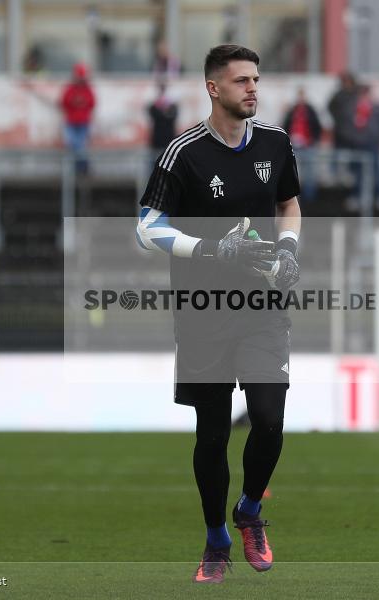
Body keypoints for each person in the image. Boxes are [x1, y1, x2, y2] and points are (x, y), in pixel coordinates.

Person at [136, 44, 301, 584]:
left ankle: (250, 510)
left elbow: (287, 204)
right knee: (211, 436)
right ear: (213, 88)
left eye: (256, 79)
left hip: (262, 306)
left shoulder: (276, 144)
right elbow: (147, 227)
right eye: (241, 81)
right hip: (204, 311)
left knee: (270, 421)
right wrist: (209, 251)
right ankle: (215, 541)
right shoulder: (182, 153)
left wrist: (290, 250)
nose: (253, 88)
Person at [349, 85, 379, 210]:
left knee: (377, 171)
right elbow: (349, 125)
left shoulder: (378, 108)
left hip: (373, 143)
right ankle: (356, 197)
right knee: (358, 172)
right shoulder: (355, 108)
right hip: (359, 143)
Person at [282, 87, 322, 202]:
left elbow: (317, 126)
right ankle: (294, 198)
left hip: (308, 145)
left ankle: (309, 198)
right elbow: (286, 125)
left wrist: (314, 140)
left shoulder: (310, 110)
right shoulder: (292, 110)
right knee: (292, 172)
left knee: (309, 172)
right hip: (293, 145)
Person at [61, 63, 96, 175]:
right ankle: (81, 167)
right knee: (73, 144)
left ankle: (82, 168)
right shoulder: (70, 88)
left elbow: (92, 103)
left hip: (83, 122)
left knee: (80, 145)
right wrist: (74, 101)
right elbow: (64, 102)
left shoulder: (87, 89)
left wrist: (80, 102)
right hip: (71, 122)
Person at [147, 80, 178, 155]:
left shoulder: (172, 105)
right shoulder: (154, 106)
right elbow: (154, 115)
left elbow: (172, 116)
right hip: (157, 138)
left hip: (169, 137)